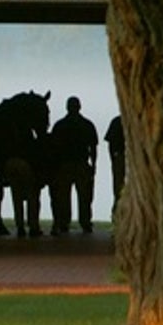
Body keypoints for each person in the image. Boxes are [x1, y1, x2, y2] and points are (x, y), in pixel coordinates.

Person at [50, 95, 100, 234]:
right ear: (79, 107)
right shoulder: (87, 125)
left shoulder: (60, 125)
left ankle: (64, 222)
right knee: (85, 197)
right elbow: (93, 147)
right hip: (81, 164)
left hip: (65, 165)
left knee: (64, 196)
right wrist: (93, 165)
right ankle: (85, 222)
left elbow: (54, 148)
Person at [104, 114, 125, 214]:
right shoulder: (117, 122)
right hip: (121, 158)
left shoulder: (117, 121)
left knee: (118, 187)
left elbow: (110, 143)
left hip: (119, 158)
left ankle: (117, 213)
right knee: (118, 187)